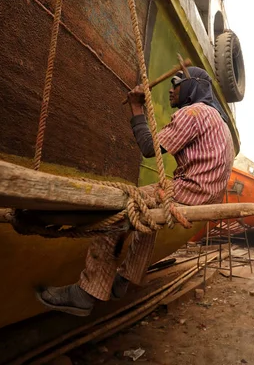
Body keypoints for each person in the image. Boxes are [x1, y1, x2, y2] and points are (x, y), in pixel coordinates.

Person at [37, 66, 234, 316]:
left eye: (176, 82)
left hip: (189, 191)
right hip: (206, 195)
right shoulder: (220, 121)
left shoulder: (193, 113)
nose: (171, 89)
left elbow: (148, 148)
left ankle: (86, 292)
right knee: (146, 215)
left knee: (119, 209)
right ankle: (127, 278)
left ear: (192, 86)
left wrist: (136, 108)